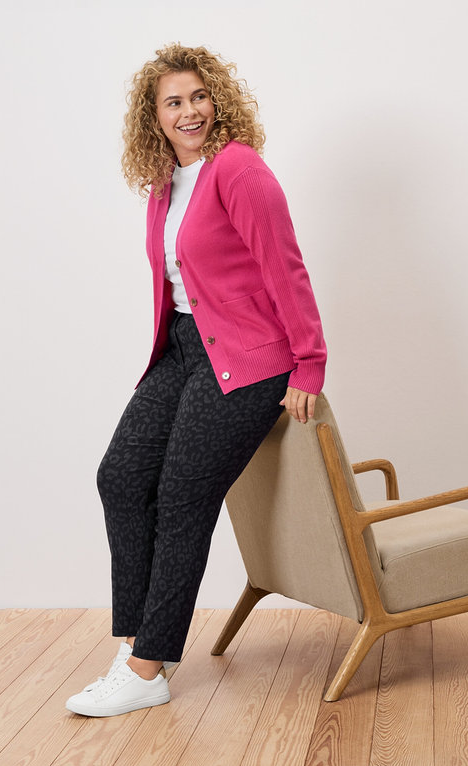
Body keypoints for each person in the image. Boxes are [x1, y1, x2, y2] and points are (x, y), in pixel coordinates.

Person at [65, 44, 326, 718]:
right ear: (153, 117)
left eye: (198, 97)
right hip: (182, 351)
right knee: (121, 477)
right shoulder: (163, 181)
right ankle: (132, 643)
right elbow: (182, 285)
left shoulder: (238, 170)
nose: (190, 111)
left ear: (219, 100)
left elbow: (286, 269)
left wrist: (310, 363)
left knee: (183, 495)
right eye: (173, 102)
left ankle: (150, 665)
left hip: (248, 358)